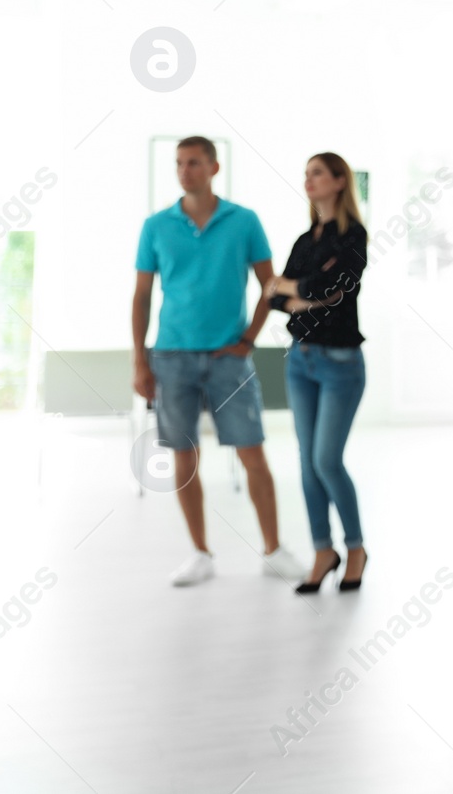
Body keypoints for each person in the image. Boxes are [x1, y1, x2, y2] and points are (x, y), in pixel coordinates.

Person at [131, 136, 307, 587]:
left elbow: (271, 285)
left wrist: (249, 338)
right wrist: (141, 360)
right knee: (184, 459)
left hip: (229, 358)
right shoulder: (156, 226)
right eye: (178, 163)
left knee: (253, 454)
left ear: (213, 167)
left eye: (193, 163)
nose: (184, 171)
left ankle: (273, 549)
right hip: (170, 357)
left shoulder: (244, 221)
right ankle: (200, 554)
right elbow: (143, 295)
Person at [264, 152, 369, 594]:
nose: (309, 180)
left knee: (327, 460)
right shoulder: (305, 241)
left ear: (340, 181)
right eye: (306, 174)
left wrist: (301, 290)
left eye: (318, 173)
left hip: (340, 363)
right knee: (307, 464)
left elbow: (333, 288)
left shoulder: (354, 237)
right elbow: (272, 294)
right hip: (301, 359)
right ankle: (323, 551)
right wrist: (304, 294)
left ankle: (356, 548)